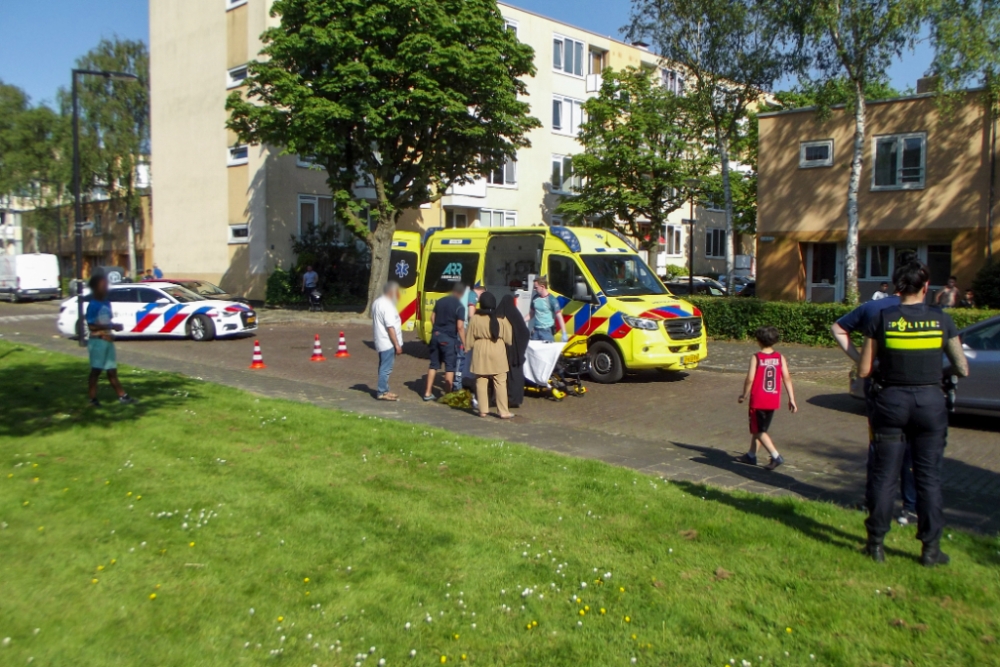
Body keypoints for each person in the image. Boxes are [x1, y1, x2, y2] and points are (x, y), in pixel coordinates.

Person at [858, 260, 969, 566]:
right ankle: (930, 550)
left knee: (884, 476)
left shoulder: (883, 317)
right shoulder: (940, 319)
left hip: (890, 403)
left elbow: (865, 369)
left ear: (896, 288)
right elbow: (962, 367)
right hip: (930, 404)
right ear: (926, 287)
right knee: (928, 478)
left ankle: (876, 544)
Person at [831, 256, 918, 526]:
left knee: (879, 445)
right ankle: (910, 507)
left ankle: (874, 501)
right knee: (912, 448)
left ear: (893, 284)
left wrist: (858, 360)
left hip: (879, 386)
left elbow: (837, 328)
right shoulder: (925, 311)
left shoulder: (874, 308)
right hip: (915, 388)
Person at [736, 326, 797, 470]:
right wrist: (791, 398)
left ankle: (776, 456)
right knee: (761, 427)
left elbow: (750, 379)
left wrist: (744, 395)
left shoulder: (756, 357)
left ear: (758, 341)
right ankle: (751, 455)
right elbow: (787, 377)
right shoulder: (779, 357)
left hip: (758, 400)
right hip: (773, 399)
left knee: (758, 431)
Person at [85, 272, 135, 407]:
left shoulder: (107, 303)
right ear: (95, 287)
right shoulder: (93, 305)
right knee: (96, 371)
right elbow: (91, 326)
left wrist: (113, 327)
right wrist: (110, 326)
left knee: (112, 370)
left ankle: (122, 396)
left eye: (106, 285)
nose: (106, 288)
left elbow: (107, 320)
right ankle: (92, 399)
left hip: (108, 341)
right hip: (97, 342)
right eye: (103, 285)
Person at [468, 292, 514, 419]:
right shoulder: (501, 318)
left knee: (481, 381)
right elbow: (508, 338)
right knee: (500, 382)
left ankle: (483, 410)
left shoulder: (476, 318)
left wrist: (468, 347)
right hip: (497, 350)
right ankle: (503, 411)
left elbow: (470, 337)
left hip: (480, 350)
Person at [423, 282, 467, 400]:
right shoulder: (460, 306)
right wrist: (465, 343)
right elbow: (460, 327)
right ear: (461, 293)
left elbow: (432, 318)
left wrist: (437, 328)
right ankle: (447, 396)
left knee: (433, 365)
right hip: (449, 338)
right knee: (450, 367)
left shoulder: (440, 301)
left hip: (436, 335)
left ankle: (427, 392)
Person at [371, 281, 403, 401]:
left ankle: (385, 389)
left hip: (380, 340)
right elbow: (390, 327)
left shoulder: (377, 302)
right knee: (386, 368)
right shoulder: (387, 305)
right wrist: (397, 344)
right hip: (387, 342)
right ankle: (382, 391)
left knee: (383, 366)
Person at [497, 294, 530, 408]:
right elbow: (524, 332)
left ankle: (498, 398)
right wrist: (519, 349)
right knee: (515, 376)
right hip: (515, 353)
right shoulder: (516, 315)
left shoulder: (498, 315)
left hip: (501, 351)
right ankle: (514, 399)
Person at [530, 276, 568, 342]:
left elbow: (559, 316)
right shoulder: (535, 298)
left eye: (536, 288)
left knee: (547, 351)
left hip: (547, 332)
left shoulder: (552, 299)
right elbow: (531, 314)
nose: (534, 289)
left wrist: (564, 332)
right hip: (536, 331)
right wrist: (521, 320)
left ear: (542, 287)